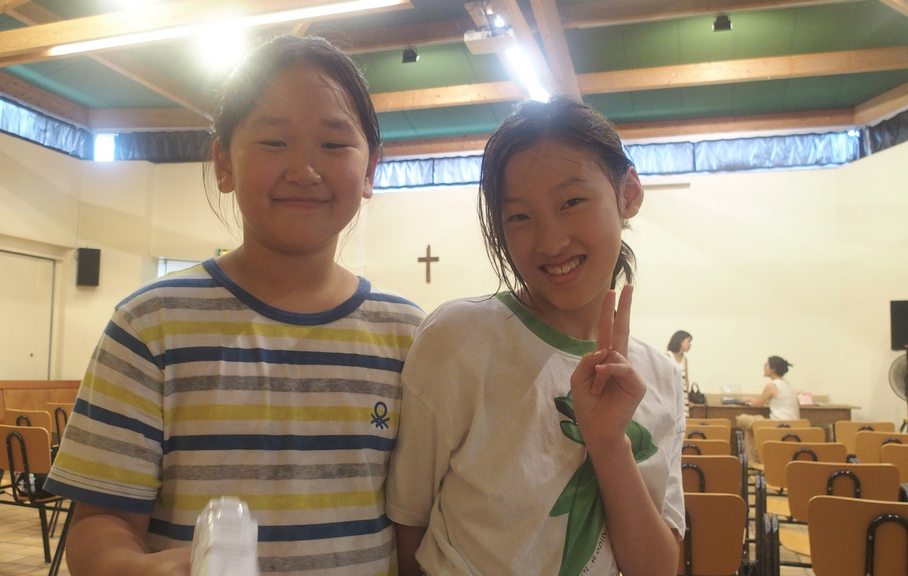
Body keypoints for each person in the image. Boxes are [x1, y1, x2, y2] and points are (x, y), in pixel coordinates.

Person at [43, 36, 425, 576]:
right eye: (273, 141)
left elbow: (417, 528)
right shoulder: (150, 325)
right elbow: (99, 523)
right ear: (223, 163)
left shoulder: (409, 336)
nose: (304, 169)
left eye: (334, 144)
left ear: (370, 171)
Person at [386, 97, 685, 576]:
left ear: (628, 192)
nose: (551, 242)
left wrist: (608, 442)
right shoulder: (459, 340)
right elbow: (409, 524)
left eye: (571, 202)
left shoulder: (660, 376)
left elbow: (656, 569)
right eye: (520, 217)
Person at [735, 356, 799, 462]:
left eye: (766, 365)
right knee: (750, 433)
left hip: (777, 425)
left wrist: (749, 398)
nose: (764, 367)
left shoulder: (772, 385)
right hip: (795, 425)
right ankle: (752, 463)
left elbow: (758, 404)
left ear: (773, 369)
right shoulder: (790, 385)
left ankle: (753, 463)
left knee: (741, 419)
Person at [666, 330, 692, 416]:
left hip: (682, 398)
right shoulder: (667, 356)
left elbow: (686, 381)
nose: (690, 344)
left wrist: (687, 399)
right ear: (681, 341)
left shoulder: (684, 360)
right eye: (688, 341)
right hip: (670, 398)